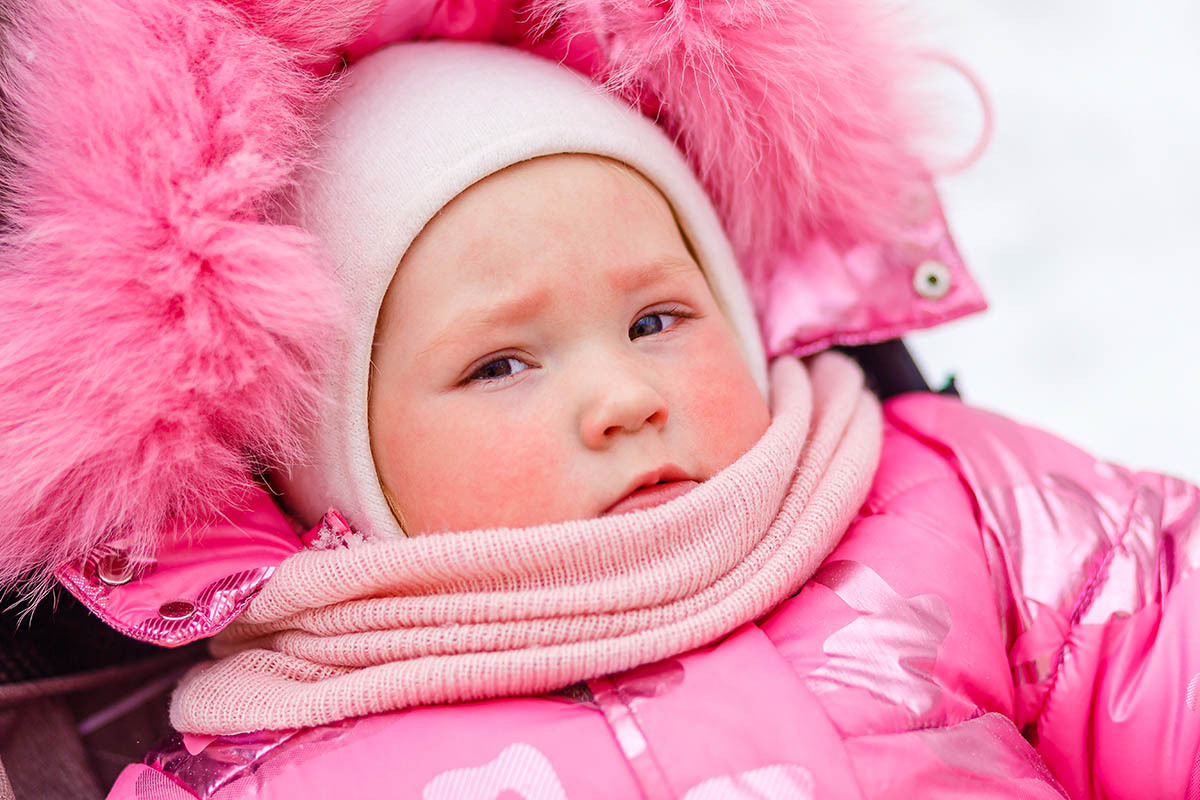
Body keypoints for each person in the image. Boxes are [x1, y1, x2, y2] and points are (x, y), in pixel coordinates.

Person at [0, 2, 1196, 799]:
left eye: (658, 319)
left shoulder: (950, 505)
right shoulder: (265, 758)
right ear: (334, 463)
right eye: (501, 363)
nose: (623, 395)